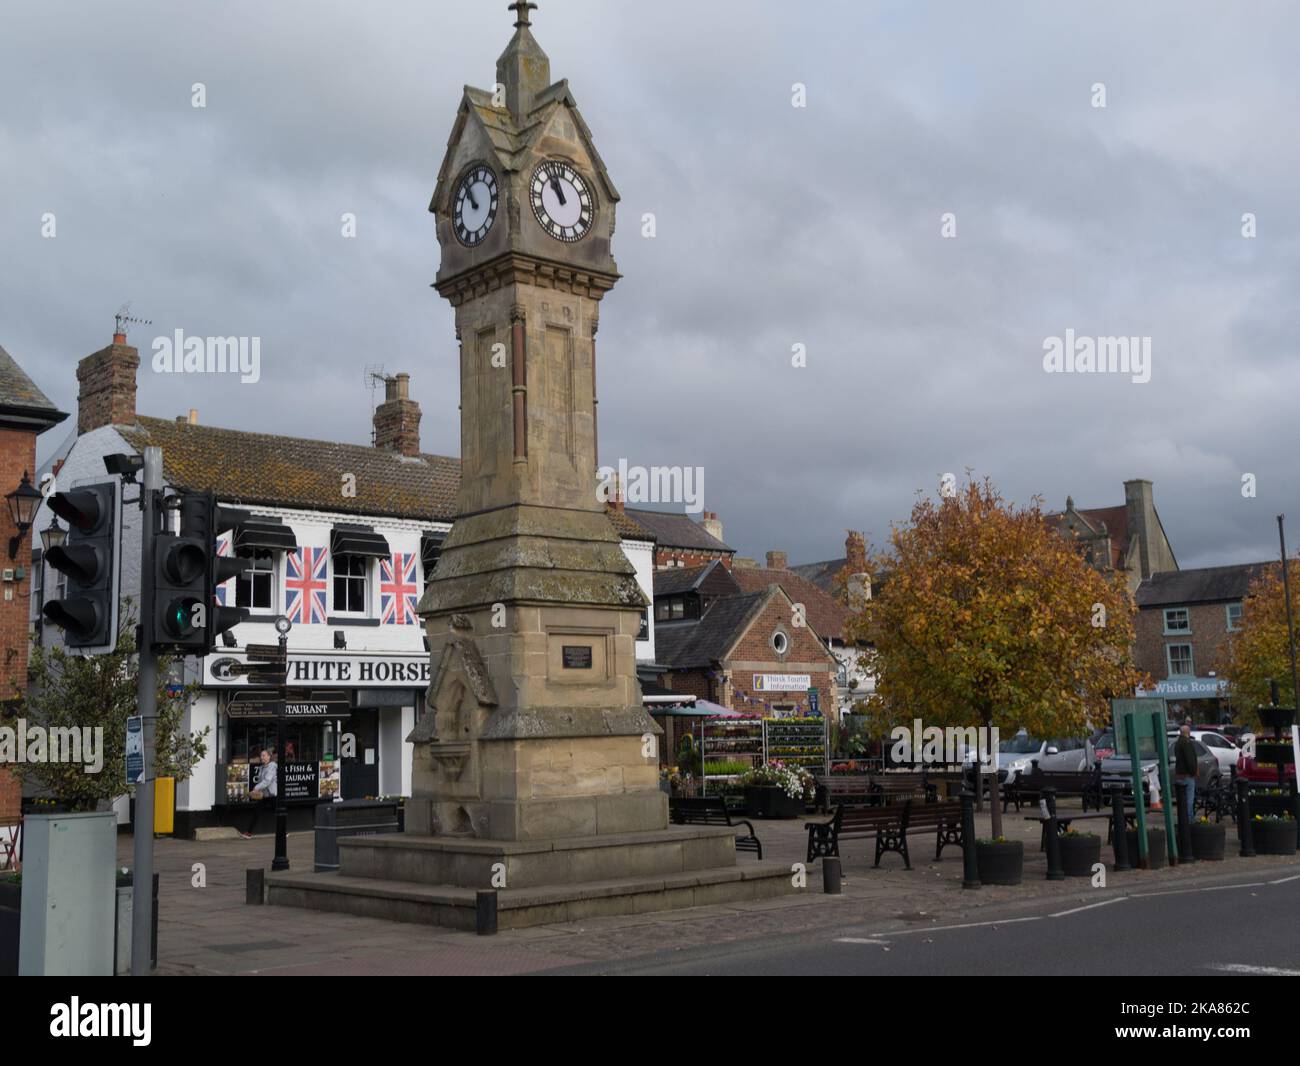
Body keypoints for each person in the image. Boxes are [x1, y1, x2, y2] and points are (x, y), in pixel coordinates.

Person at [239, 749, 277, 838]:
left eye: (264, 755)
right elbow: (261, 781)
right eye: (261, 756)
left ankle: (283, 832)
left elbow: (267, 781)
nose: (261, 757)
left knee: (278, 814)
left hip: (272, 795)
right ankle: (248, 833)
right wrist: (257, 790)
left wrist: (256, 788)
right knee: (256, 812)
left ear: (269, 756)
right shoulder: (262, 767)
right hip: (263, 795)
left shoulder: (272, 767)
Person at [1173, 723, 1198, 816]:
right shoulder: (1186, 743)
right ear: (1188, 732)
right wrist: (1193, 772)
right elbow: (1190, 759)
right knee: (1189, 800)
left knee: (1182, 800)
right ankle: (1189, 820)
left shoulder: (1178, 743)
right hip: (1187, 775)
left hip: (1179, 774)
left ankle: (1184, 820)